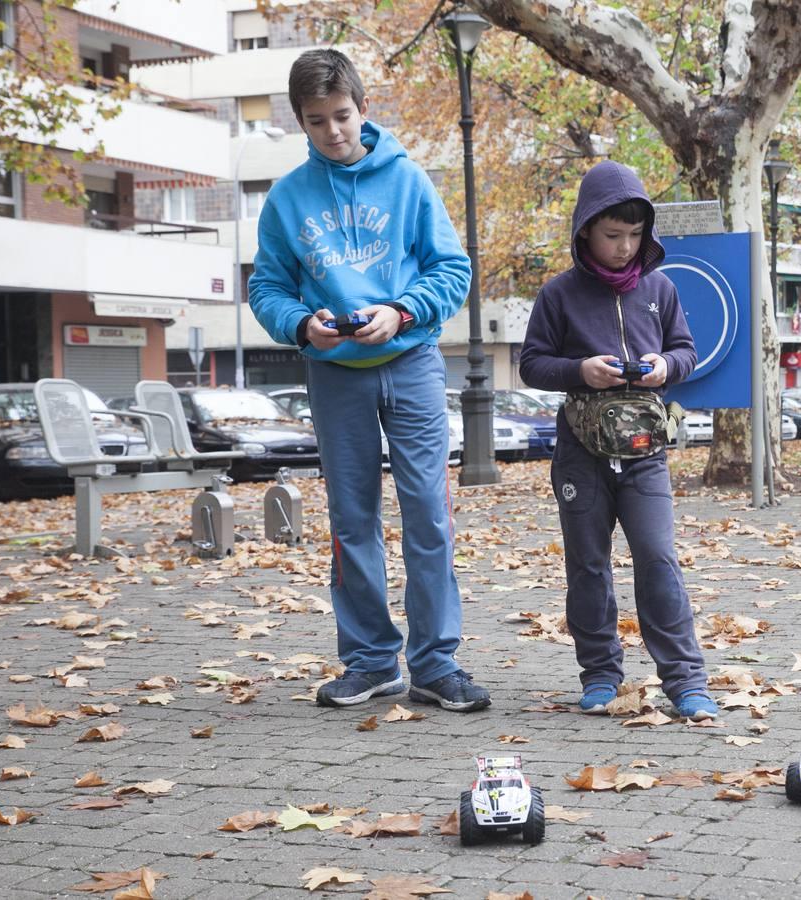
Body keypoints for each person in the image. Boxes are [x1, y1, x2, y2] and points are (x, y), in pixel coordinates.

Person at [249, 49, 488, 712]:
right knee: (351, 519)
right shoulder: (288, 199)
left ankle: (436, 662)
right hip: (334, 375)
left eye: (342, 115)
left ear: (363, 108)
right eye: (317, 119)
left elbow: (451, 270)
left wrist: (402, 310)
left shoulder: (408, 182)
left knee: (427, 516)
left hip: (411, 363)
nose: (333, 130)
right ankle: (370, 661)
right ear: (301, 122)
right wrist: (302, 325)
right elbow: (266, 286)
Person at [518, 160, 718, 721]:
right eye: (612, 235)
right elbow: (531, 364)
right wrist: (581, 370)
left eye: (635, 235)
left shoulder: (661, 287)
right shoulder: (558, 294)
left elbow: (686, 351)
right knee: (587, 565)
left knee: (658, 559)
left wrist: (663, 366)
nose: (624, 247)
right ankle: (601, 674)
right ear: (585, 230)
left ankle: (685, 681)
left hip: (644, 453)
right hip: (580, 454)